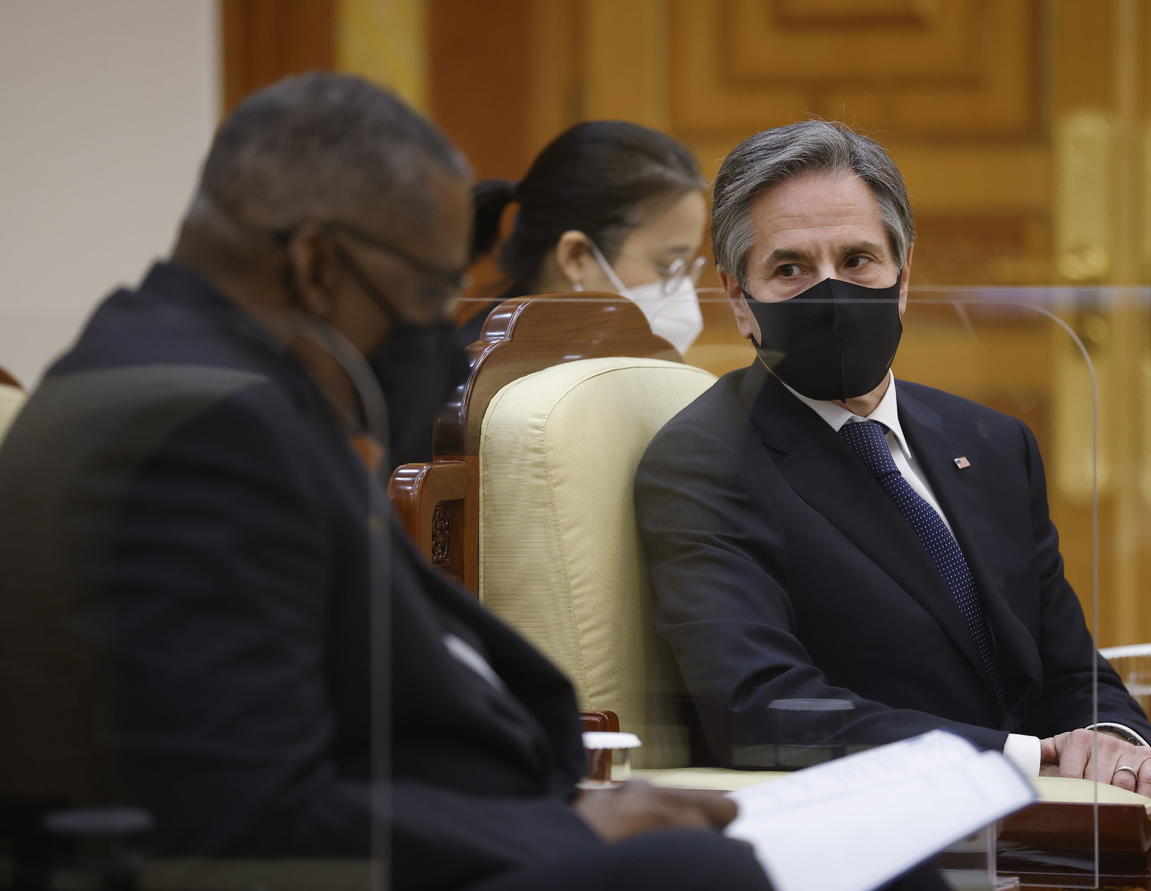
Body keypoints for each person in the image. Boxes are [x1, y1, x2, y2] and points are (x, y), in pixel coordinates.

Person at [0, 73, 776, 891]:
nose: (440, 331)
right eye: (432, 290)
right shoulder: (194, 425)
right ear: (317, 263)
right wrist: (566, 830)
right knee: (698, 874)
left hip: (450, 825)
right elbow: (243, 819)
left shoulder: (203, 379)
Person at [634, 120, 1151, 891]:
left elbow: (1071, 669)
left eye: (857, 260)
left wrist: (1116, 749)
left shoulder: (991, 441)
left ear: (903, 274)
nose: (831, 291)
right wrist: (1033, 760)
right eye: (790, 268)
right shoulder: (705, 460)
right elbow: (763, 706)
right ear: (740, 299)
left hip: (1063, 823)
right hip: (905, 840)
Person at [458, 120, 708, 356]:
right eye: (667, 266)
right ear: (576, 256)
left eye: (689, 267)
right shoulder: (480, 377)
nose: (685, 291)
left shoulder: (600, 364)